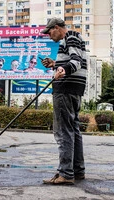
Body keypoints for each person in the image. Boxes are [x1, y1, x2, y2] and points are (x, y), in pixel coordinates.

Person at [40, 18, 87, 185]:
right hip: (74, 90)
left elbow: (76, 62)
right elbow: (72, 61)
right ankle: (77, 170)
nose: (49, 36)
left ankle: (66, 173)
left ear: (57, 27)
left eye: (49, 32)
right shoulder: (74, 39)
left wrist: (62, 69)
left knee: (63, 131)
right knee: (73, 130)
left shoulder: (70, 37)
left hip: (65, 90)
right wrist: (55, 65)